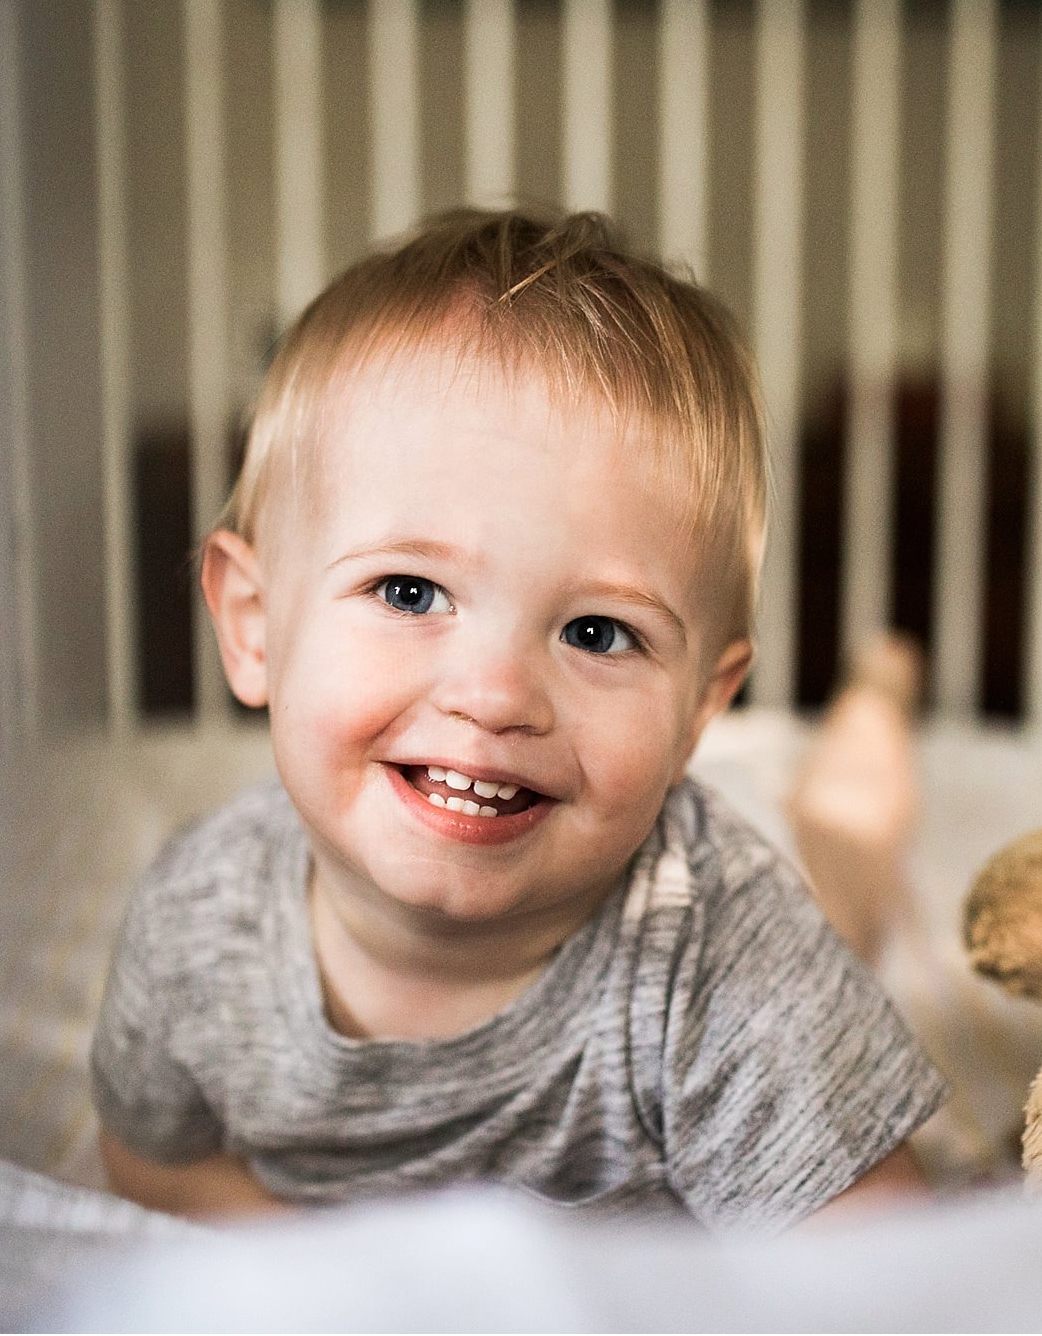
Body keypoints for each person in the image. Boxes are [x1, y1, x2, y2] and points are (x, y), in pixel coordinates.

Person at [89, 208, 946, 1234]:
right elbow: (152, 1160)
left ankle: (877, 693)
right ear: (254, 625)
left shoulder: (721, 953)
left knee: (847, 841)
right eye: (409, 592)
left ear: (697, 713)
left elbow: (892, 1272)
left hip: (780, 880)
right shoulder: (198, 927)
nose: (492, 695)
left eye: (595, 630)